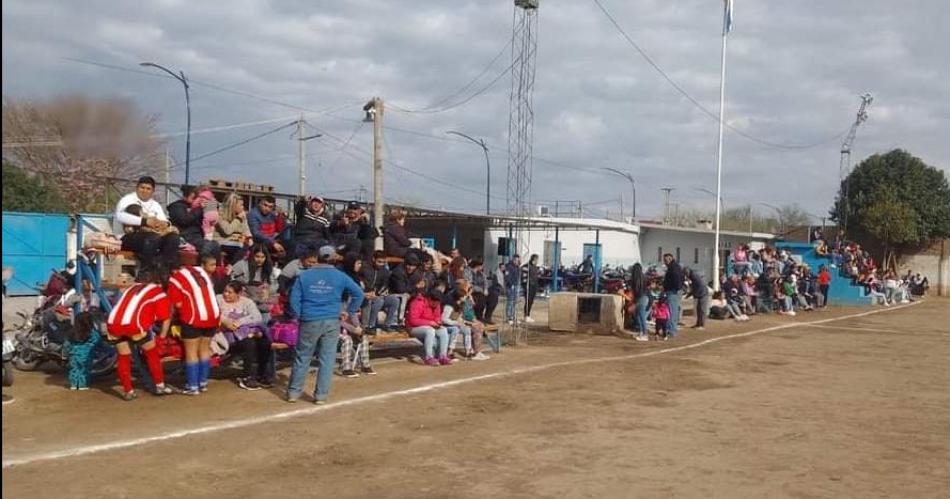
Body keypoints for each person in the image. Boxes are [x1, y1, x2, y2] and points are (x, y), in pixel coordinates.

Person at [286, 246, 364, 404]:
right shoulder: (340, 276)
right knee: (327, 358)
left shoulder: (304, 275)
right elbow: (359, 294)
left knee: (303, 356)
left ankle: (294, 392)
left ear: (318, 257)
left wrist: (300, 314)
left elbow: (293, 299)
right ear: (334, 258)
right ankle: (320, 396)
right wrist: (349, 311)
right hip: (332, 319)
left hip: (309, 319)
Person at [105, 270, 176, 401]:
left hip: (114, 324)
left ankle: (128, 391)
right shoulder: (157, 291)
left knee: (123, 357)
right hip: (135, 326)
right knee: (151, 353)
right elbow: (166, 317)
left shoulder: (130, 288)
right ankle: (160, 385)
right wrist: (162, 337)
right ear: (158, 282)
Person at [168, 255, 222, 395]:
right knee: (204, 349)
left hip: (194, 317)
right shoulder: (203, 272)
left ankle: (192, 386)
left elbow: (178, 304)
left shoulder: (176, 278)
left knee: (191, 353)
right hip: (213, 315)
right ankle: (203, 383)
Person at [113, 176, 179, 271]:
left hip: (152, 235)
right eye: (142, 187)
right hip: (127, 237)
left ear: (153, 191)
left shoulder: (155, 205)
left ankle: (165, 270)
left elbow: (163, 220)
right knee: (152, 238)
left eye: (148, 189)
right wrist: (144, 221)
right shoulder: (127, 200)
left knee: (173, 238)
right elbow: (120, 216)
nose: (145, 191)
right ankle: (146, 271)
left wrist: (166, 224)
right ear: (137, 188)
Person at [217, 281, 272, 390]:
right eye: (225, 291)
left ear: (239, 294)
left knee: (265, 343)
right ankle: (246, 377)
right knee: (249, 344)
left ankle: (261, 374)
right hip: (226, 336)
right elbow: (215, 314)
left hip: (244, 333)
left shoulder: (247, 302)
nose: (226, 294)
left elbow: (257, 317)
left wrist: (239, 322)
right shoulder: (218, 299)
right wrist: (226, 321)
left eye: (230, 292)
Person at [168, 185, 219, 257]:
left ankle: (217, 266)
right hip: (186, 236)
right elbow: (184, 220)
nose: (197, 199)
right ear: (186, 196)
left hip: (197, 236)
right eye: (194, 197)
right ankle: (203, 262)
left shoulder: (195, 206)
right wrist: (199, 209)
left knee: (215, 244)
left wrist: (210, 209)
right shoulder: (177, 206)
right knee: (210, 245)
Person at [406, 287, 452, 366]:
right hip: (413, 327)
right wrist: (429, 323)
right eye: (435, 302)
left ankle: (442, 356)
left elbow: (437, 316)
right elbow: (413, 320)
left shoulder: (437, 304)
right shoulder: (418, 303)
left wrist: (438, 321)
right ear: (429, 299)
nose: (437, 305)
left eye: (438, 303)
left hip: (430, 326)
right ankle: (428, 357)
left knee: (443, 330)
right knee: (430, 331)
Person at [360, 251, 400, 332]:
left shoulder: (384, 271)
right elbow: (360, 281)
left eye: (383, 262)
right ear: (373, 259)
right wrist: (367, 292)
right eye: (379, 262)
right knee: (378, 301)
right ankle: (371, 325)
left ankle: (388, 324)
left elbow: (385, 285)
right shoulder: (365, 268)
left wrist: (379, 293)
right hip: (365, 294)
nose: (381, 264)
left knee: (395, 300)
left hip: (377, 294)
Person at [64, 311, 102, 391]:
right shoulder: (92, 333)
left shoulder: (71, 333)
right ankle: (82, 385)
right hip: (86, 356)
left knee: (74, 370)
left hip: (73, 355)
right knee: (84, 370)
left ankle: (74, 385)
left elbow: (67, 345)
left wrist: (66, 353)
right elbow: (98, 341)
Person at [214, 193, 252, 265]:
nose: (243, 207)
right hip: (222, 242)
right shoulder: (220, 215)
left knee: (253, 247)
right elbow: (227, 231)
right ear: (233, 206)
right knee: (241, 247)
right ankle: (232, 268)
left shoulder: (242, 215)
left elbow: (246, 229)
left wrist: (249, 238)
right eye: (241, 205)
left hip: (236, 241)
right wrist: (238, 219)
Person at [389, 252, 422, 326]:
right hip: (393, 294)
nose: (410, 268)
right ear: (405, 264)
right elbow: (400, 289)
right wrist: (415, 287)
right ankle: (397, 323)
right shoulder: (398, 272)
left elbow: (419, 289)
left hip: (409, 294)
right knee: (403, 297)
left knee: (420, 297)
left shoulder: (417, 273)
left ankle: (413, 321)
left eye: (413, 266)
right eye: (409, 265)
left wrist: (412, 293)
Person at [248, 196, 285, 260]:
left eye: (270, 207)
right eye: (265, 205)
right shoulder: (253, 214)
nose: (267, 208)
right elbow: (256, 233)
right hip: (259, 242)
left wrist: (280, 216)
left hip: (272, 241)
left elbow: (280, 229)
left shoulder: (272, 214)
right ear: (260, 204)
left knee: (291, 244)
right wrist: (273, 242)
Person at [662, 253, 684, 338]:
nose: (665, 262)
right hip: (674, 291)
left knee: (671, 311)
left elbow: (676, 279)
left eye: (666, 260)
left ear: (670, 259)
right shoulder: (675, 267)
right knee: (673, 311)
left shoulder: (673, 268)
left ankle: (671, 331)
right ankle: (671, 330)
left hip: (673, 291)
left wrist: (674, 288)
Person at [628, 263, 650, 341]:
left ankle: (645, 334)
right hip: (644, 298)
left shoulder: (635, 279)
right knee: (639, 316)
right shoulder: (643, 278)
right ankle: (641, 332)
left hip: (641, 299)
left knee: (641, 317)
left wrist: (635, 303)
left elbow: (638, 293)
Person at [504, 254, 522, 324]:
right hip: (510, 286)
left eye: (518, 260)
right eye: (516, 260)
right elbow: (507, 276)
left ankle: (514, 316)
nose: (517, 262)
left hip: (516, 285)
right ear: (513, 259)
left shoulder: (517, 267)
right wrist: (511, 284)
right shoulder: (508, 266)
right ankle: (509, 317)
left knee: (515, 302)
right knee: (510, 302)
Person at [523, 254, 541, 323]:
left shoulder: (535, 267)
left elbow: (536, 277)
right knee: (528, 301)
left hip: (534, 287)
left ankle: (528, 315)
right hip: (528, 287)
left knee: (531, 302)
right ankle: (526, 315)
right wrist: (526, 286)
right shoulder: (527, 266)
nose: (537, 261)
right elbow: (524, 277)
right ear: (534, 259)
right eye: (537, 259)